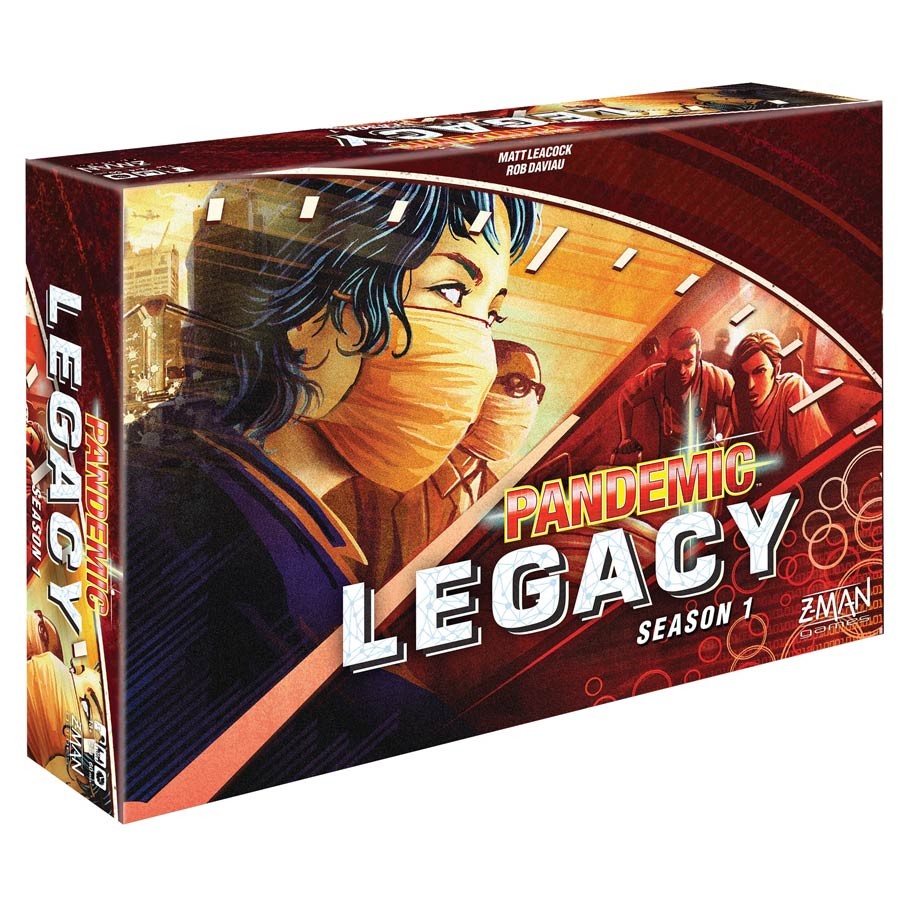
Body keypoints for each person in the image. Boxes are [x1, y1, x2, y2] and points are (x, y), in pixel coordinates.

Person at [125, 177, 539, 804]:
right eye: (451, 291)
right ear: (309, 312)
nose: (481, 356)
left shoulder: (217, 477)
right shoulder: (216, 536)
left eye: (490, 315)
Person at [616, 326, 733, 460]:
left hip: (705, 447)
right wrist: (626, 437)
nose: (682, 371)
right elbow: (626, 398)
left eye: (688, 362)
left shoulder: (714, 376)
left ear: (698, 355)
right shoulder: (656, 375)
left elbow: (737, 398)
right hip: (670, 449)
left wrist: (724, 438)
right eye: (676, 363)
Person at [730, 330, 830, 463]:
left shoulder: (793, 388)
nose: (750, 385)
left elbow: (818, 460)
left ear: (776, 370)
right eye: (743, 375)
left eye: (760, 371)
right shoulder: (738, 396)